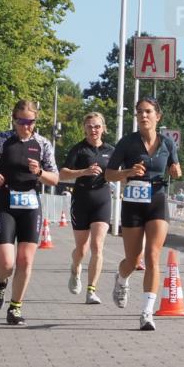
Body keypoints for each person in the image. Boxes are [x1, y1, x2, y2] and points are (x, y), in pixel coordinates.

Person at [0, 100, 58, 326]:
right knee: (7, 263)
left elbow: (55, 178)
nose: (26, 126)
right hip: (4, 202)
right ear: (13, 120)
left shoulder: (42, 144)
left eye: (30, 122)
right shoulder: (1, 139)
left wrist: (40, 172)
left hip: (31, 203)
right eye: (21, 121)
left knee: (25, 260)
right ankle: (1, 282)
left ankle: (15, 307)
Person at [105, 96, 181, 331]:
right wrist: (128, 171)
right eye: (139, 112)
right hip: (133, 202)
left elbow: (175, 170)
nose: (143, 116)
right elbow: (109, 174)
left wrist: (176, 171)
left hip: (157, 199)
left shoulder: (168, 143)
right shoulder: (127, 142)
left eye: (148, 112)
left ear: (158, 116)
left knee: (152, 256)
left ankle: (147, 312)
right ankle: (121, 278)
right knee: (133, 259)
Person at [59, 112, 115, 304]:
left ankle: (91, 290)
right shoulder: (79, 149)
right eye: (90, 126)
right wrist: (85, 171)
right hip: (81, 199)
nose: (94, 130)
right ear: (84, 128)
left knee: (97, 246)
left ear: (103, 128)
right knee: (81, 249)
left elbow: (118, 172)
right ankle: (75, 269)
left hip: (102, 199)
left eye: (97, 126)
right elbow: (63, 173)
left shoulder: (111, 150)